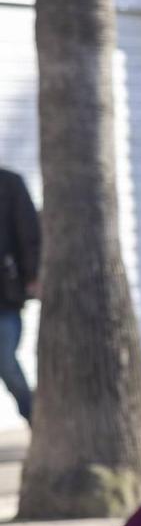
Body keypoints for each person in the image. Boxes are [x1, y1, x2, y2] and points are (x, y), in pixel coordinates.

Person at [0, 163, 37, 423]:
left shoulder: (10, 184)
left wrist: (32, 276)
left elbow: (30, 233)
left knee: (7, 364)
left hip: (5, 297)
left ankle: (35, 418)